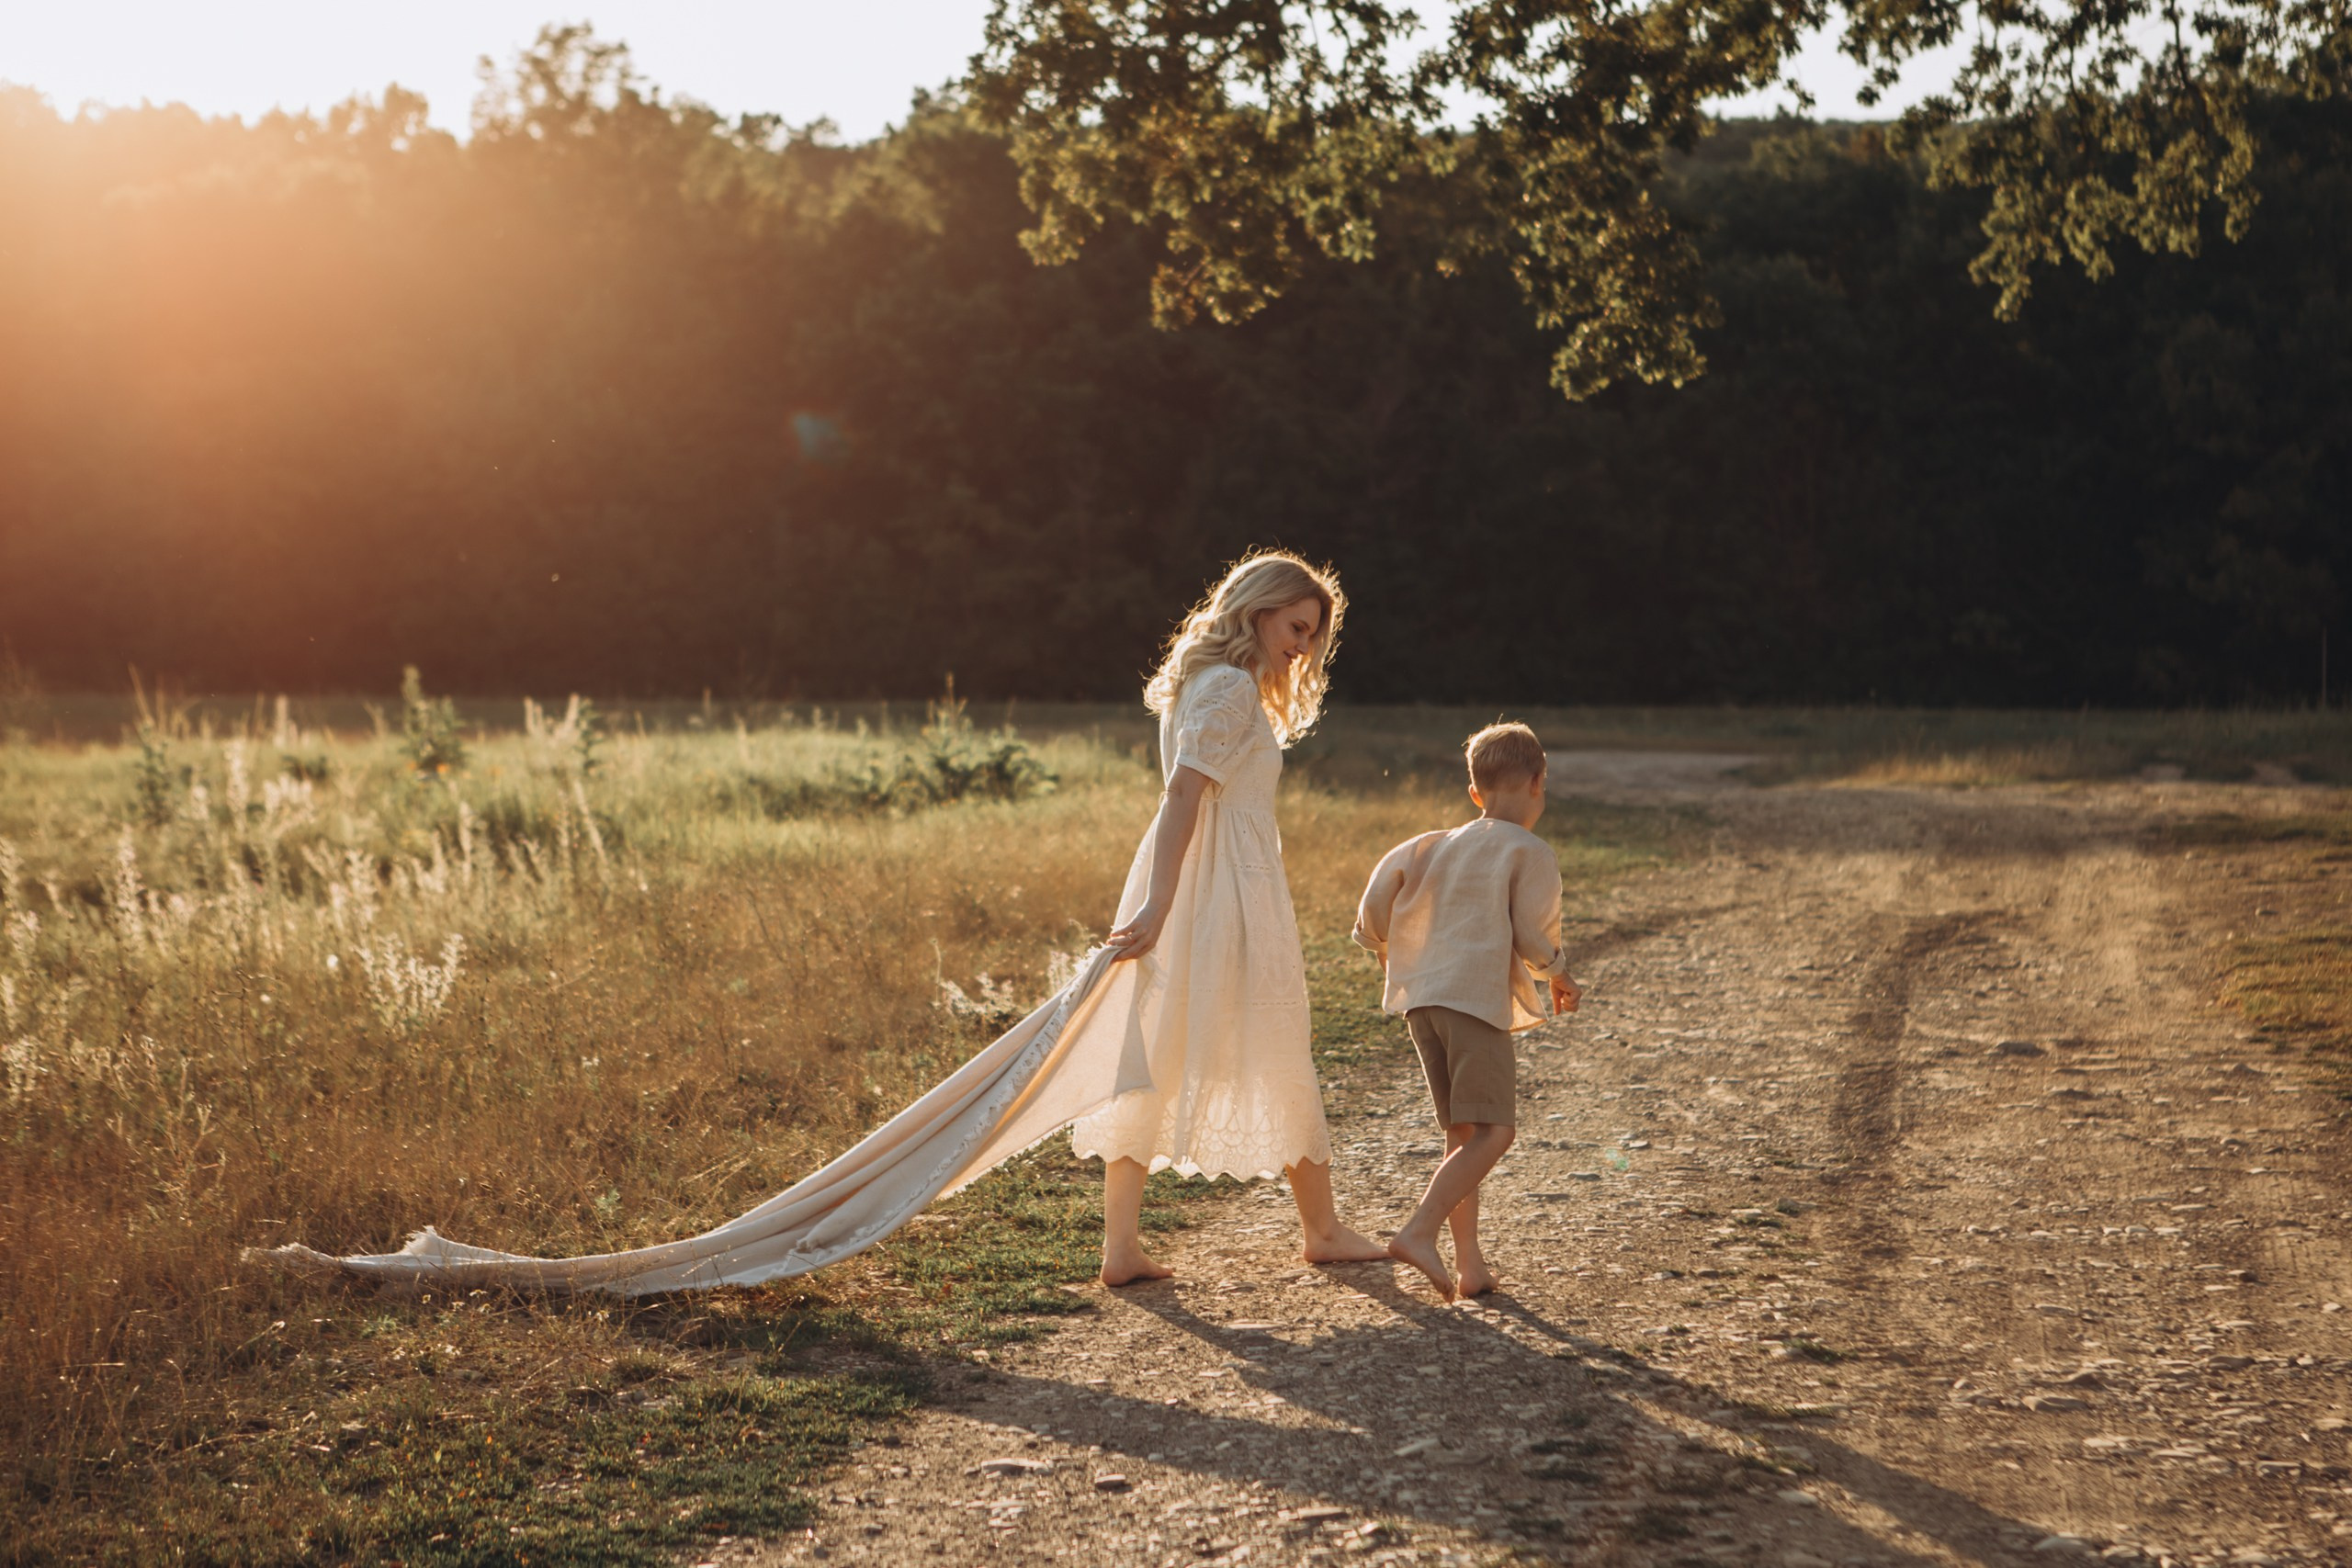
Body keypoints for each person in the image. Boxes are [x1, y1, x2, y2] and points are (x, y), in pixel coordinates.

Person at [1079, 551, 1390, 1286]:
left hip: (1211, 882)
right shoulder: (1226, 688)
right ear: (1257, 609)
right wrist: (1158, 904)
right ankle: (1323, 1229)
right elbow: (1182, 796)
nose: (1304, 646)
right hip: (1219, 892)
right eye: (1297, 626)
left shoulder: (1212, 682)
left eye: (1314, 635)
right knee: (1272, 1042)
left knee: (1155, 1051)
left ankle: (1123, 1247)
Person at [1351, 722, 1582, 1301]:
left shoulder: (1427, 844)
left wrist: (1384, 949)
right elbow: (1532, 935)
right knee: (1495, 1132)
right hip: (1473, 1004)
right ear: (1538, 783)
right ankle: (1418, 1231)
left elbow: (1373, 909)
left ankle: (1471, 1264)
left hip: (1422, 1005)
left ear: (1475, 792)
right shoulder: (1529, 851)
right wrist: (1559, 974)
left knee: (1462, 1133)